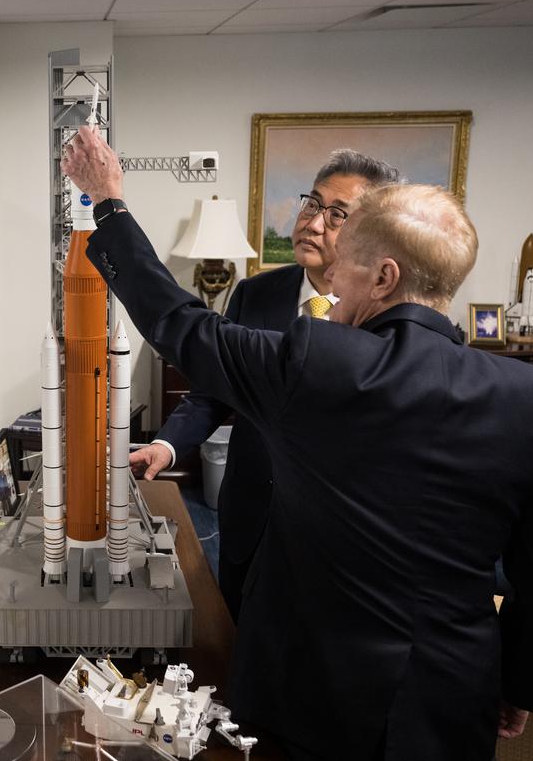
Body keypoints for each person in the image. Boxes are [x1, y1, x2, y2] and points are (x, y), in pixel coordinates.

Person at [61, 126, 533, 761]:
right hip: (454, 694)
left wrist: (107, 201)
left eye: (345, 265)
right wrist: (520, 684)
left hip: (308, 692)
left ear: (383, 277)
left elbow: (179, 323)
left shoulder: (319, 362)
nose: (332, 277)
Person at [133, 149, 401, 621]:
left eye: (336, 215)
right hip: (249, 513)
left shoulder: (385, 318)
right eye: (312, 204)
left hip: (335, 537)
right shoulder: (255, 293)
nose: (313, 223)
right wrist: (167, 444)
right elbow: (214, 389)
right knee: (235, 635)